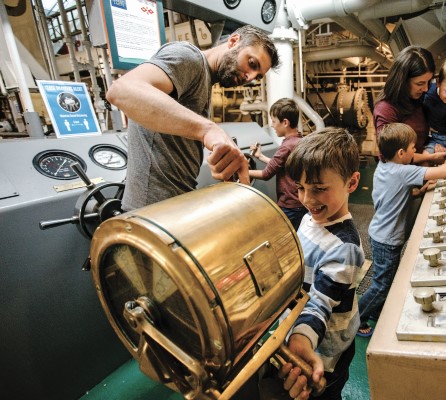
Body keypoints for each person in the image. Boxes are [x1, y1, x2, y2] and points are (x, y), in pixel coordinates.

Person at [106, 25, 280, 211]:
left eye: (257, 76)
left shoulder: (205, 80)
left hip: (176, 202)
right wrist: (208, 129)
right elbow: (121, 90)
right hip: (151, 209)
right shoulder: (189, 58)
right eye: (252, 63)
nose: (250, 77)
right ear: (233, 41)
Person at [278, 128, 365, 400]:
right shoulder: (310, 218)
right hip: (297, 329)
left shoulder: (345, 248)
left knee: (325, 393)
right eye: (300, 188)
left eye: (319, 189)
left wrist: (301, 338)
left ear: (351, 183)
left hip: (324, 349)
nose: (307, 199)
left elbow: (320, 301)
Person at [356, 123, 446, 337]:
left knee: (384, 278)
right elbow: (444, 171)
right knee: (381, 284)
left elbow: (392, 196)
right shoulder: (402, 171)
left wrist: (418, 192)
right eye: (413, 148)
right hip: (387, 240)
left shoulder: (385, 167)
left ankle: (376, 311)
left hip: (379, 234)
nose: (415, 152)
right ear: (401, 153)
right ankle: (358, 320)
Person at [373, 46, 446, 166]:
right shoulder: (385, 108)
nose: (426, 88)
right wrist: (430, 157)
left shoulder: (418, 100)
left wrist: (433, 146)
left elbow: (418, 139)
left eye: (429, 82)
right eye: (420, 83)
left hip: (420, 174)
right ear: (403, 80)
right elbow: (389, 156)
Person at [249, 98, 305, 230]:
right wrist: (260, 156)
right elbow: (284, 166)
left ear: (285, 122)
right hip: (299, 203)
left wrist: (240, 171)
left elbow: (266, 174)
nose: (272, 125)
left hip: (289, 205)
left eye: (274, 121)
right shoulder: (298, 140)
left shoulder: (286, 146)